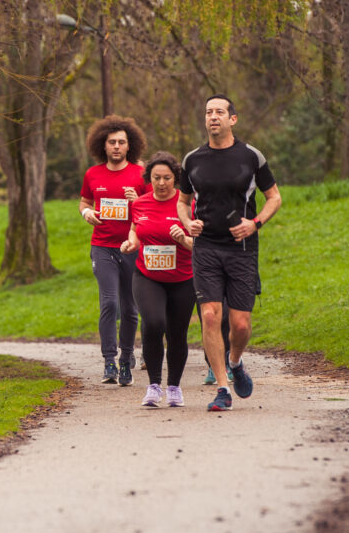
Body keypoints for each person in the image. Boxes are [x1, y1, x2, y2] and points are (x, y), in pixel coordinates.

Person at [177, 94, 281, 411]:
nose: (213, 117)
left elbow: (274, 197)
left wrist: (255, 223)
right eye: (209, 112)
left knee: (241, 325)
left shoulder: (251, 157)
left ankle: (235, 362)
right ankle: (222, 389)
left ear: (232, 119)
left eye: (220, 112)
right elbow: (182, 202)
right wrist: (187, 223)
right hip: (206, 246)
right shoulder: (192, 160)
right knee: (209, 316)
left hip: (241, 249)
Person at [120, 152, 196, 407]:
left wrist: (183, 240)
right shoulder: (140, 203)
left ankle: (174, 386)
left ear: (176, 179)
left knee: (177, 333)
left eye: (166, 178)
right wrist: (131, 242)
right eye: (156, 178)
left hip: (183, 278)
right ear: (149, 179)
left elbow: (202, 246)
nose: (161, 183)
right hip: (147, 276)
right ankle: (153, 386)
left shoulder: (187, 205)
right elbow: (135, 228)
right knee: (153, 322)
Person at [80, 115, 149, 386]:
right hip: (102, 246)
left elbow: (154, 207)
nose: (117, 147)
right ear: (103, 145)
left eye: (122, 142)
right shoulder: (92, 174)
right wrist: (87, 213)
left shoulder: (140, 174)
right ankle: (109, 360)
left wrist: (139, 200)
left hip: (131, 247)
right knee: (109, 303)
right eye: (112, 142)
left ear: (130, 145)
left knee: (131, 308)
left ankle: (125, 360)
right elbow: (85, 200)